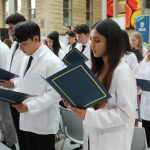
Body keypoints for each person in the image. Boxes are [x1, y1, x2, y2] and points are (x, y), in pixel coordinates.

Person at [64, 19, 137, 150]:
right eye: (91, 39)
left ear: (111, 42)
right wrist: (74, 102)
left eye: (97, 40)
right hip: (92, 137)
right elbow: (93, 102)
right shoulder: (97, 69)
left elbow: (126, 113)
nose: (92, 45)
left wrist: (89, 115)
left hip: (112, 142)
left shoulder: (123, 72)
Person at [12, 21, 64, 150]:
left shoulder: (52, 62)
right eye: (19, 44)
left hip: (43, 121)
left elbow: (56, 94)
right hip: (26, 117)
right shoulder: (27, 57)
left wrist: (29, 106)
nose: (20, 48)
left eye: (24, 44)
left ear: (36, 39)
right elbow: (26, 81)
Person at [0, 13, 27, 150]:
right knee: (19, 130)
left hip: (22, 95)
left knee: (26, 134)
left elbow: (27, 74)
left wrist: (13, 83)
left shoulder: (28, 48)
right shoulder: (14, 46)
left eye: (12, 29)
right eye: (9, 29)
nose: (10, 32)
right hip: (11, 93)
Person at [0, 39, 17, 150]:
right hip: (2, 85)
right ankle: (4, 137)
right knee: (1, 117)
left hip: (3, 87)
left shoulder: (2, 48)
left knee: (6, 116)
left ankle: (11, 142)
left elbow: (4, 69)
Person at [136, 50, 150, 147]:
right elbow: (139, 76)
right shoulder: (147, 59)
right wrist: (139, 86)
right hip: (147, 103)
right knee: (147, 134)